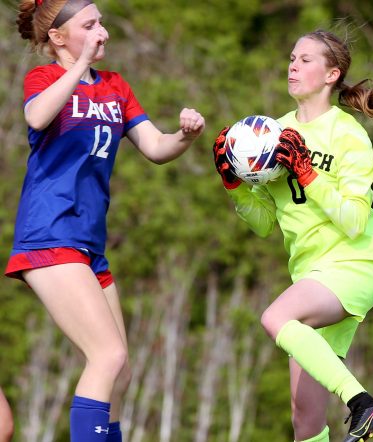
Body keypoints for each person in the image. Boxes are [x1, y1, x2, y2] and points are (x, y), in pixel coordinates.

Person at [7, 1, 205, 441]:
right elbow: (36, 116)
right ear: (58, 38)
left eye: (102, 22)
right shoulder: (44, 79)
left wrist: (184, 137)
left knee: (121, 373)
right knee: (107, 355)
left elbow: (155, 148)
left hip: (88, 246)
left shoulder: (116, 86)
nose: (103, 33)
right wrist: (77, 66)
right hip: (50, 235)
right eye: (90, 25)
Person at [213, 29, 373, 442]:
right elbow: (263, 224)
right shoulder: (269, 133)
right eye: (291, 58)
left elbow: (353, 220)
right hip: (309, 276)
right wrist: (236, 186)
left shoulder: (348, 134)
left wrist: (306, 172)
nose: (293, 66)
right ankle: (353, 410)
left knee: (275, 317)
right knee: (306, 420)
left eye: (305, 60)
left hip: (353, 266)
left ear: (332, 74)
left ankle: (363, 403)